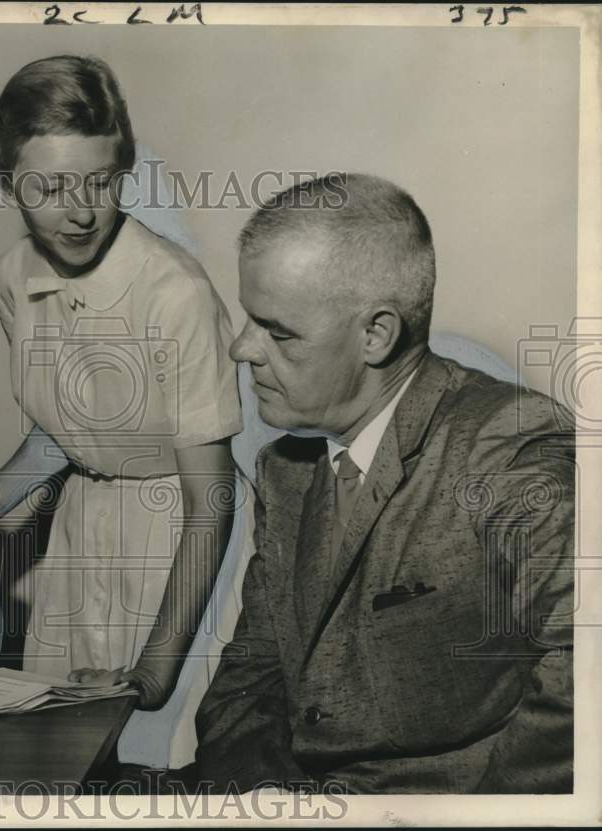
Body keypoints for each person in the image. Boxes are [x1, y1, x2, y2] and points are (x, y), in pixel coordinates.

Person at [196, 173, 574, 793]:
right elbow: (252, 671)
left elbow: (587, 680)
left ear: (376, 334)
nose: (242, 348)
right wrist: (265, 800)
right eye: (246, 319)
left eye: (277, 330)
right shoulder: (283, 471)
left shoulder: (511, 449)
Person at [0, 55, 241, 766]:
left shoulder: (174, 294)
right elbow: (65, 431)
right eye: (51, 186)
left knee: (161, 766)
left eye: (100, 180)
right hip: (78, 540)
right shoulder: (13, 278)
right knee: (55, 768)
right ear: (6, 177)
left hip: (178, 549)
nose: (81, 209)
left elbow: (211, 499)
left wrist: (155, 673)